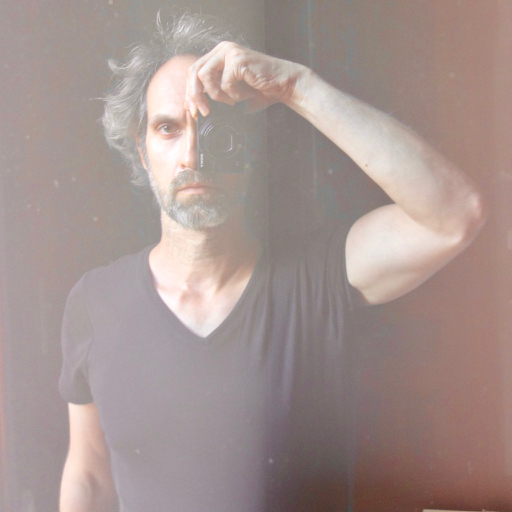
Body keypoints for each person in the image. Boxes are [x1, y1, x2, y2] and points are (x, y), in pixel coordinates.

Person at [58, 12, 486, 512]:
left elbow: (454, 215)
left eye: (215, 131)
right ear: (142, 148)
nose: (193, 155)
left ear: (247, 147)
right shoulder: (95, 303)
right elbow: (89, 473)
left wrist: (296, 87)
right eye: (168, 128)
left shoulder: (315, 279)